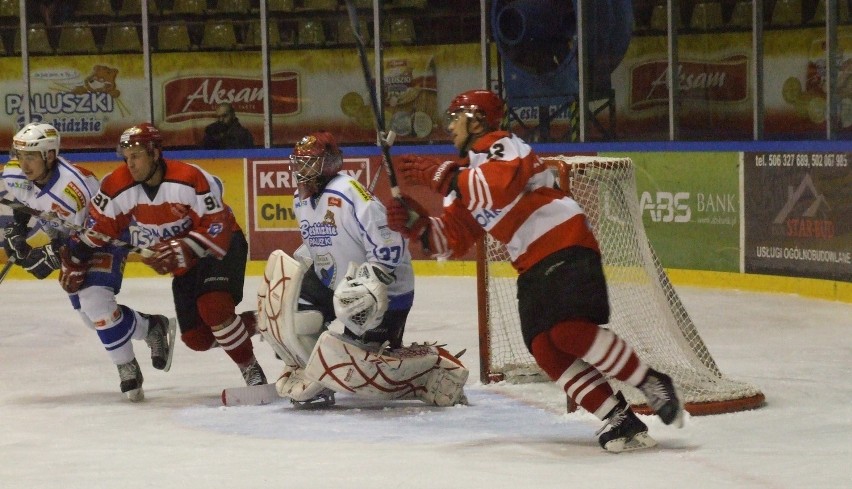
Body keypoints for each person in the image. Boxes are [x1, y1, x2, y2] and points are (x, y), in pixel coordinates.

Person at [385, 89, 685, 452]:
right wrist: (416, 224)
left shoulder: (502, 145)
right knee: (545, 348)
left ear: (477, 118)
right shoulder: (465, 178)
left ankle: (651, 382)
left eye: (456, 117)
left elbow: (499, 185)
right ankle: (619, 419)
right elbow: (453, 239)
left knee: (570, 331)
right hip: (529, 263)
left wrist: (447, 177)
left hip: (565, 242)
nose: (450, 126)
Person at [255, 131, 468, 407]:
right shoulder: (300, 198)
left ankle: (431, 367)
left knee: (359, 363)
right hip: (334, 284)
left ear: (329, 164)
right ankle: (315, 376)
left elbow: (392, 244)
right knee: (292, 316)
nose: (301, 170)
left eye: (309, 163)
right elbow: (318, 244)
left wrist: (372, 281)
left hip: (385, 292)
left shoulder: (349, 193)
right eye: (299, 163)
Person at [62, 122, 267, 388]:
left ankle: (250, 368)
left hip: (219, 247)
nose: (130, 164)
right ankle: (264, 322)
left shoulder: (189, 178)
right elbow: (99, 229)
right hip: (183, 262)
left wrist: (185, 246)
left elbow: (218, 225)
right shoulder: (116, 186)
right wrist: (76, 255)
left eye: (136, 156)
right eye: (126, 158)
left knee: (213, 308)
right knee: (197, 339)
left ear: (155, 152)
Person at [1, 122, 173, 402]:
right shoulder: (14, 173)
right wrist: (16, 232)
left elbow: (92, 233)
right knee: (92, 319)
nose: (23, 163)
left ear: (49, 155)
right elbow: (25, 203)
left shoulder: (74, 189)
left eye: (31, 156)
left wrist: (52, 255)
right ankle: (151, 327)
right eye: (20, 155)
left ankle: (126, 366)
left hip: (104, 235)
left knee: (96, 304)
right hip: (72, 238)